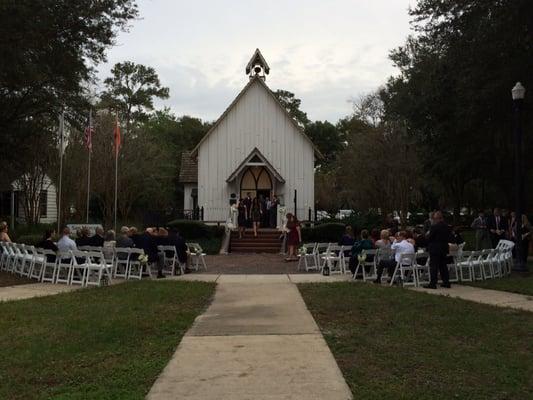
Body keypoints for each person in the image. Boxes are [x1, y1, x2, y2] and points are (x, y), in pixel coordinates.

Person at [425, 211, 454, 289]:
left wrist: (427, 235)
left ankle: (433, 283)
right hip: (443, 247)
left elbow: (430, 238)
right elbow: (450, 237)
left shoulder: (434, 226)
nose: (433, 220)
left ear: (437, 218)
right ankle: (446, 282)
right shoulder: (447, 226)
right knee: (443, 265)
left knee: (434, 266)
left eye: (434, 218)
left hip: (435, 248)